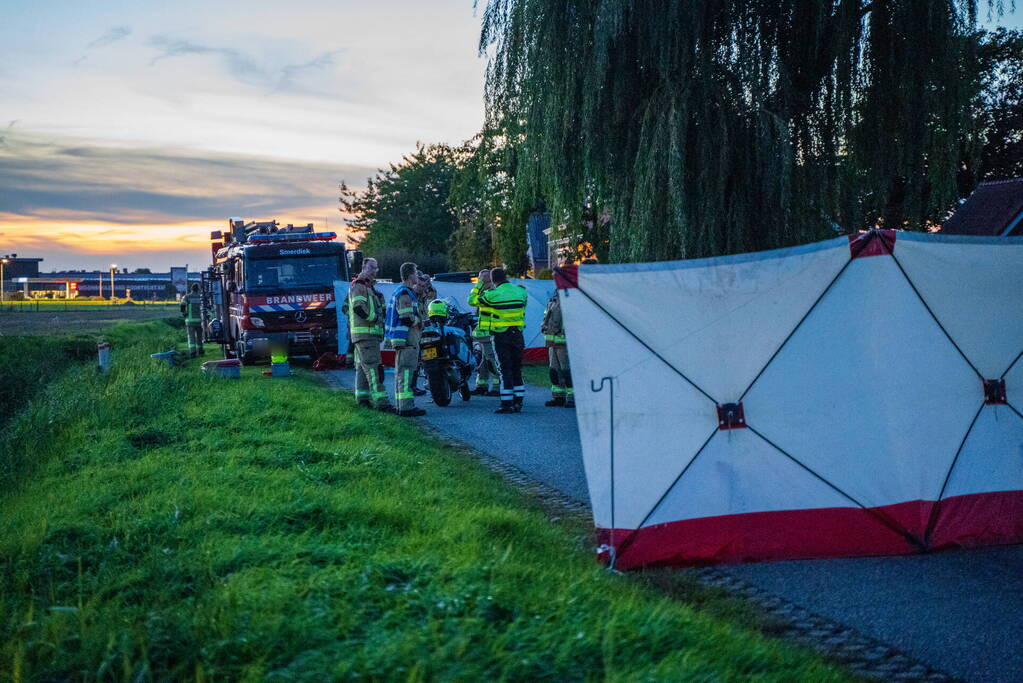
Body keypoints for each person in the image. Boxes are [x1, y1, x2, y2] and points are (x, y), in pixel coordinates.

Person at [346, 258, 393, 412]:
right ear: (364, 267)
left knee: (362, 368)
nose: (374, 271)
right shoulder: (360, 285)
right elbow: (358, 308)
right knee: (374, 369)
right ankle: (382, 404)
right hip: (366, 335)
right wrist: (375, 319)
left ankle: (363, 400)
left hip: (366, 336)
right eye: (371, 267)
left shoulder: (370, 288)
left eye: (376, 268)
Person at [479, 268, 528, 413]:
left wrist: (479, 284)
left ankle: (507, 403)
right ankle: (518, 402)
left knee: (505, 369)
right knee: (516, 368)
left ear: (493, 280)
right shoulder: (521, 291)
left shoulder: (493, 295)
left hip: (501, 336)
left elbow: (473, 300)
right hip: (518, 334)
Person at [385, 262, 426, 417]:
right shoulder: (405, 293)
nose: (418, 277)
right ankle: (406, 408)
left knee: (402, 372)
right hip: (406, 339)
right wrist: (419, 322)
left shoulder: (403, 292)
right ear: (410, 276)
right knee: (406, 373)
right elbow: (406, 317)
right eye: (416, 274)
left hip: (403, 340)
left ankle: (401, 406)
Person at [467, 269, 501, 396]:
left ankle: (497, 386)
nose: (479, 281)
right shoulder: (484, 291)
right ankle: (482, 385)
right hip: (482, 333)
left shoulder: (491, 291)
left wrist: (477, 287)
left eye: (482, 279)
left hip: (490, 333)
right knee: (483, 360)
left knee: (492, 360)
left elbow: (470, 300)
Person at [541, 290, 573, 407]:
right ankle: (558, 397)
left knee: (566, 371)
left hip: (564, 343)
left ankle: (571, 398)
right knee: (554, 370)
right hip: (552, 342)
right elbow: (546, 317)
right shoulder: (552, 301)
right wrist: (543, 327)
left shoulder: (571, 300)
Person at [180, 283, 204, 358]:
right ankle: (200, 350)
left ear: (191, 289)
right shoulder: (201, 297)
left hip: (190, 320)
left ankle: (192, 352)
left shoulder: (187, 296)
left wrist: (184, 313)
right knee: (200, 336)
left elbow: (182, 305)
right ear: (198, 289)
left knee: (191, 337)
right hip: (199, 321)